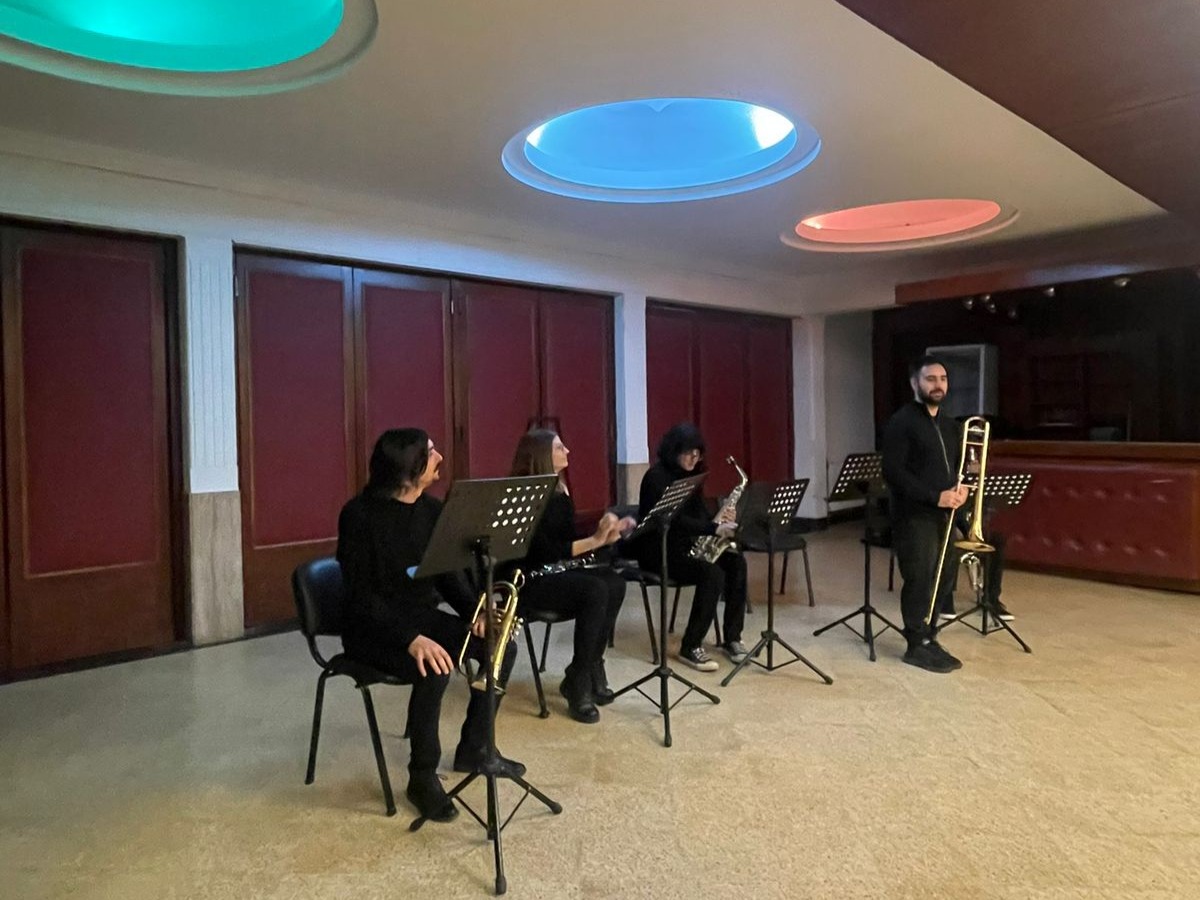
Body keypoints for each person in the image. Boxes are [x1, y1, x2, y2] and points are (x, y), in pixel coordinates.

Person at [336, 428, 523, 823]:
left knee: (502, 647)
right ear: (408, 466)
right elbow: (361, 597)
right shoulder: (359, 516)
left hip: (419, 617)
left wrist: (476, 615)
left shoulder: (432, 511)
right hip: (371, 630)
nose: (439, 458)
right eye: (431, 452)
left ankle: (475, 747)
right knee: (434, 668)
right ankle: (421, 777)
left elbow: (448, 575)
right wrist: (410, 639)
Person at [507, 429, 634, 723]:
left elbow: (567, 535)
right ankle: (578, 682)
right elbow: (545, 551)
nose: (567, 451)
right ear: (541, 455)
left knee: (615, 583)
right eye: (559, 447)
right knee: (594, 590)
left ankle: (588, 667)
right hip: (531, 579)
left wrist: (605, 528)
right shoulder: (526, 495)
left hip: (556, 571)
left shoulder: (559, 488)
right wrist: (595, 540)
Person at [632, 423, 749, 672]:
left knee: (735, 562)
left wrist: (721, 518)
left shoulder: (693, 475)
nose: (694, 458)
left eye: (698, 453)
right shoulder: (656, 477)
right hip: (658, 551)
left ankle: (732, 638)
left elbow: (700, 516)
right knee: (711, 573)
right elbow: (673, 521)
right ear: (673, 451)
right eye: (688, 453)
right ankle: (691, 646)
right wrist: (712, 529)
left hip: (685, 546)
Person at [882, 355, 969, 673]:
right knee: (919, 577)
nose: (938, 385)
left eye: (942, 379)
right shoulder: (901, 422)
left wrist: (962, 489)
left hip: (944, 514)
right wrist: (935, 496)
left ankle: (930, 636)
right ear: (914, 383)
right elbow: (894, 472)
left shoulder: (950, 425)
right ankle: (915, 643)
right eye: (930, 379)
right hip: (914, 515)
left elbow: (957, 467)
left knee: (944, 576)